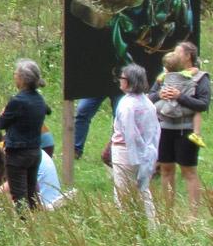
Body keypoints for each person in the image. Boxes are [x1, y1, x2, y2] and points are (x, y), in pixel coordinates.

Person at [148, 41, 207, 213]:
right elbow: (149, 97)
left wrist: (179, 96)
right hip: (164, 128)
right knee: (166, 168)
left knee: (188, 171)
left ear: (188, 56)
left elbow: (203, 104)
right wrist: (160, 94)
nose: (173, 56)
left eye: (177, 53)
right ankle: (168, 212)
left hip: (186, 130)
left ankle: (193, 215)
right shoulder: (163, 76)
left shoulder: (201, 78)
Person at [0, 59, 50, 210]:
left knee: (19, 194)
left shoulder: (17, 101)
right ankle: (34, 220)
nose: (14, 76)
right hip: (34, 151)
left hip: (17, 153)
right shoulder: (39, 99)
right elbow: (47, 110)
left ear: (22, 79)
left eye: (16, 74)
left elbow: (0, 124)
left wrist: (4, 113)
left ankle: (24, 225)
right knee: (31, 191)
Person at [112, 64, 161, 221]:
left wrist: (136, 155)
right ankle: (151, 224)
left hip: (125, 151)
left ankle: (125, 224)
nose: (120, 80)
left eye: (122, 78)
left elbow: (130, 133)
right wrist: (148, 154)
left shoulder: (126, 105)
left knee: (122, 191)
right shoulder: (148, 103)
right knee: (143, 190)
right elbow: (154, 131)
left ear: (129, 81)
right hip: (146, 151)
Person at [155, 50, 206, 148]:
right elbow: (195, 71)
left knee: (153, 108)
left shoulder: (164, 77)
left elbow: (158, 80)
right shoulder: (185, 75)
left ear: (165, 67)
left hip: (164, 106)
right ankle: (196, 134)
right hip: (180, 108)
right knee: (197, 110)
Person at [73, 91, 122, 160]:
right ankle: (75, 150)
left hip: (119, 85)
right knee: (82, 110)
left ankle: (115, 152)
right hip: (96, 84)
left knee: (120, 117)